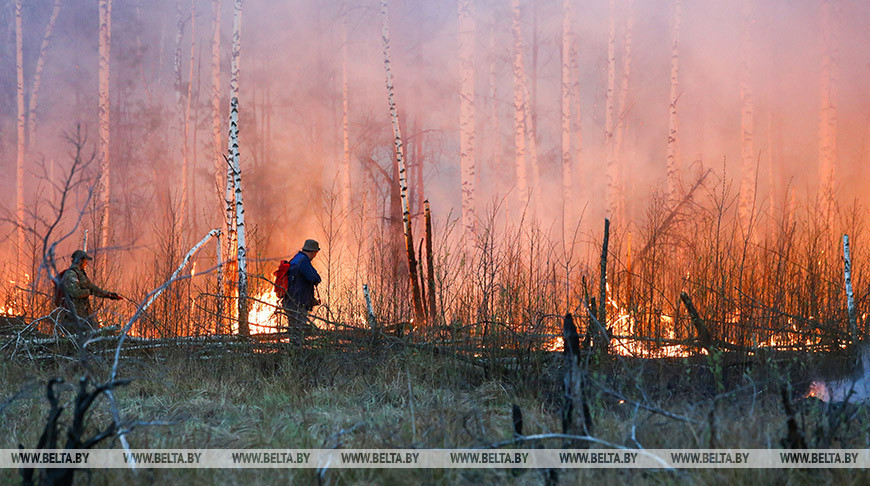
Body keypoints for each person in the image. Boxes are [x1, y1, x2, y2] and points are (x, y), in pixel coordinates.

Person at [58, 249, 122, 333]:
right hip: (73, 317)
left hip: (84, 316)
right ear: (80, 260)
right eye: (85, 261)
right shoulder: (71, 274)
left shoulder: (81, 274)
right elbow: (75, 293)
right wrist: (88, 292)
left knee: (92, 333)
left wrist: (110, 295)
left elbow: (94, 289)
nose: (86, 263)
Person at [282, 239, 322, 330]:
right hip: (298, 303)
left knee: (293, 329)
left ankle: (293, 339)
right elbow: (314, 278)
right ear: (313, 252)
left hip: (289, 301)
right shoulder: (304, 261)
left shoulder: (295, 258)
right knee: (299, 331)